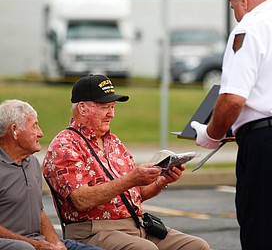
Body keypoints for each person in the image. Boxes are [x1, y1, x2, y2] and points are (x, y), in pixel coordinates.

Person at [190, 0, 272, 249]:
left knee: (266, 235)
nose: (237, 14)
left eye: (233, 8)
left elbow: (232, 99)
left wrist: (211, 134)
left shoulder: (250, 27)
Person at [43, 74, 211, 250]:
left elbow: (136, 195)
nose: (112, 114)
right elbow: (81, 200)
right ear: (83, 109)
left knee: (198, 246)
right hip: (91, 231)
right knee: (146, 249)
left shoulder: (114, 142)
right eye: (105, 107)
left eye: (113, 107)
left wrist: (161, 181)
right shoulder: (64, 146)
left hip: (137, 225)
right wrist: (132, 179)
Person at [0, 99, 102, 250]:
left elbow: (39, 213)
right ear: (15, 130)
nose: (40, 133)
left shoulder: (32, 163)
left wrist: (57, 244)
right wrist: (34, 244)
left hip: (38, 242)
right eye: (34, 126)